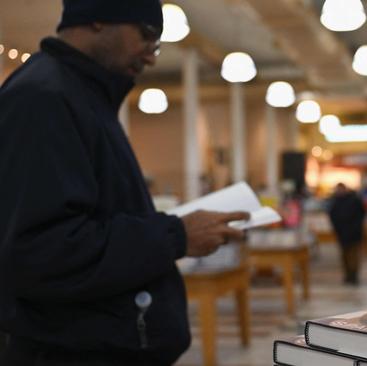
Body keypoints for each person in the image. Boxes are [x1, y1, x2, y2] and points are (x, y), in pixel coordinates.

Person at [0, 1, 249, 365]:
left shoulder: (81, 95)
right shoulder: (43, 98)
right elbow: (42, 250)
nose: (151, 57)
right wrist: (176, 236)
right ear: (97, 17)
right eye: (147, 36)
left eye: (157, 45)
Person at [327, 183, 366, 285]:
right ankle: (348, 275)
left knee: (354, 255)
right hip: (342, 233)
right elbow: (332, 216)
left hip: (354, 233)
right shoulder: (335, 202)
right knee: (344, 255)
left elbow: (361, 214)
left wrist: (356, 227)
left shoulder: (354, 200)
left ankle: (354, 275)